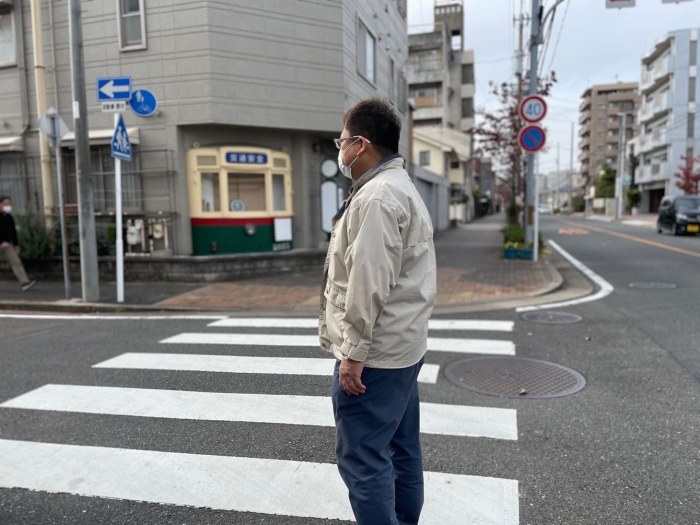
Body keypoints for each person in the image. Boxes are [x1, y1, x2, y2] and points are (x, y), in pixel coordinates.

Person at [318, 99, 437, 525]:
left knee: (363, 457)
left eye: (342, 141)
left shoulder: (377, 197)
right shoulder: (400, 186)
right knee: (402, 447)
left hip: (377, 354)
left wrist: (352, 353)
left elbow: (369, 282)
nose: (341, 149)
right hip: (403, 345)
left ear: (360, 144)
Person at [0, 196, 37, 291]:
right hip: (2, 243)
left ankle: (24, 282)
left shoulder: (9, 217)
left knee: (16, 261)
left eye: (10, 204)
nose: (8, 206)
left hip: (7, 244)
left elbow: (13, 232)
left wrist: (16, 244)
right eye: (6, 204)